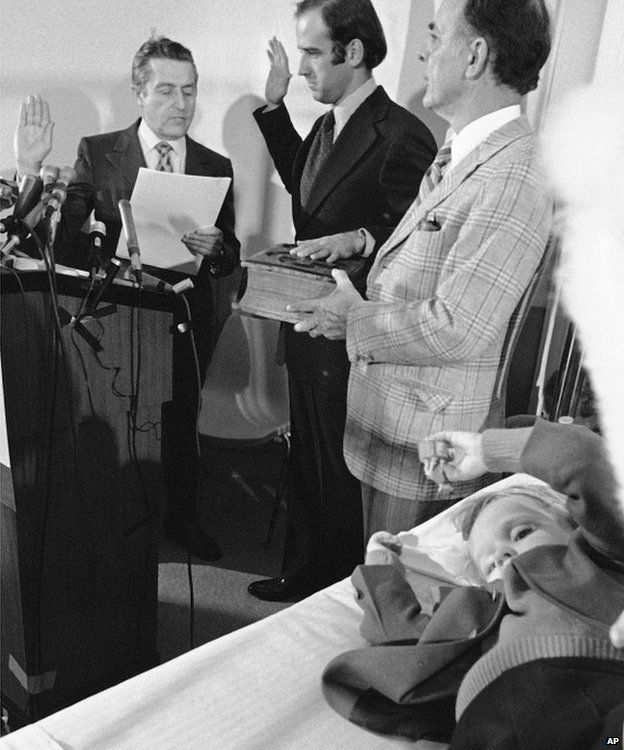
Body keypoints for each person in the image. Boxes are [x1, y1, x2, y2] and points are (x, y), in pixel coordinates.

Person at [288, 0, 554, 540]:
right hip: (395, 423)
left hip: (429, 446)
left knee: (398, 605)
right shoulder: (463, 152)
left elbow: (459, 325)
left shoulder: (512, 176)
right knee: (376, 590)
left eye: (436, 36)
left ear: (476, 55)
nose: (425, 52)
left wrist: (351, 319)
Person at [247, 0, 437, 602]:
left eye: (310, 52)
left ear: (351, 52)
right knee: (308, 459)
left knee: (339, 474)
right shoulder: (329, 126)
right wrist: (274, 108)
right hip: (307, 322)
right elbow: (311, 202)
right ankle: (306, 575)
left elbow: (419, 237)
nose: (302, 67)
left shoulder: (403, 134)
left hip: (352, 335)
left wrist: (364, 238)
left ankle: (334, 592)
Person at [322, 419, 624, 747]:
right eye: (490, 563)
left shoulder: (596, 556)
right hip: (486, 724)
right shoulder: (474, 606)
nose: (505, 556)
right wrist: (382, 565)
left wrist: (486, 451)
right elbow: (405, 638)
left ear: (572, 526)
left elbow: (585, 460)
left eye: (522, 532)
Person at [55, 37, 241, 561]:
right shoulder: (98, 151)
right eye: (165, 91)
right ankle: (117, 524)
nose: (180, 104)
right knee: (118, 421)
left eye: (189, 91)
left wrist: (219, 247)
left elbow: (231, 255)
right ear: (139, 93)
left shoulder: (214, 164)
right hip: (116, 312)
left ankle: (182, 521)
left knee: (180, 422)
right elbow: (69, 243)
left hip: (184, 312)